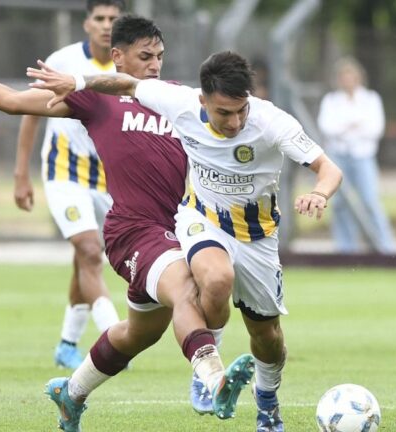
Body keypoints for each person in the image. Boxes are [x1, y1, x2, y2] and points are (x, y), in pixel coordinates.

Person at [0, 16, 256, 431]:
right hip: (133, 230)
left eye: (159, 56)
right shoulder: (96, 99)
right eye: (145, 57)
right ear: (118, 57)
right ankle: (211, 378)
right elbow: (12, 101)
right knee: (185, 289)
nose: (155, 65)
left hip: (178, 229)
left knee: (136, 335)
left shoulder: (179, 98)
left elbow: (236, 120)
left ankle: (70, 394)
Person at [29, 50, 344, 432]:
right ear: (203, 99)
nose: (235, 121)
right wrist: (77, 82)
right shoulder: (178, 102)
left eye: (241, 110)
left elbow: (328, 168)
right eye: (224, 112)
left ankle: (267, 403)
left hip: (258, 236)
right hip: (202, 220)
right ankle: (207, 371)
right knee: (215, 279)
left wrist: (320, 194)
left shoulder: (272, 121)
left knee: (267, 336)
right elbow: (127, 84)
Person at [14, 0, 125, 370]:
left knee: (86, 257)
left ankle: (66, 343)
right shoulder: (62, 61)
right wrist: (20, 173)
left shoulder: (129, 65)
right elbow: (30, 109)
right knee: (91, 251)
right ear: (86, 23)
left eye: (113, 18)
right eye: (100, 18)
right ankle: (114, 335)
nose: (107, 24)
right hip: (65, 173)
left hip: (110, 181)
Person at [317, 57, 396, 254]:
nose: (347, 80)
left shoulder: (370, 99)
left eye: (351, 76)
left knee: (369, 200)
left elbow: (375, 128)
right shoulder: (331, 100)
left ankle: (386, 247)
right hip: (339, 156)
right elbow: (327, 127)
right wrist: (354, 124)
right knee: (340, 203)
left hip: (363, 156)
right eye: (344, 77)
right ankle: (345, 249)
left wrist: (345, 126)